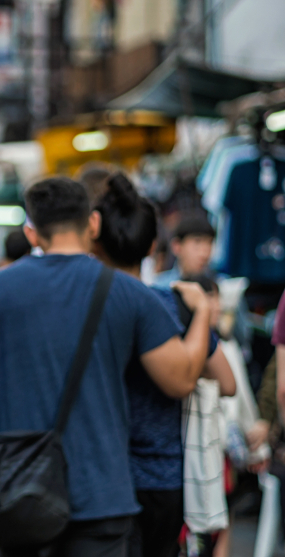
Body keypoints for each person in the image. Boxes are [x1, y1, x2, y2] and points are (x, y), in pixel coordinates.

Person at [0, 176, 214, 557]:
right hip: (102, 493)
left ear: (32, 232)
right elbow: (180, 379)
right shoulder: (128, 293)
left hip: (19, 488)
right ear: (92, 223)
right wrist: (203, 311)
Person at [90, 173, 231, 557]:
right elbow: (228, 382)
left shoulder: (86, 305)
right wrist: (202, 311)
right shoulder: (171, 305)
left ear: (95, 240)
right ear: (154, 245)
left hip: (102, 478)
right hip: (165, 479)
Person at [152, 211, 216, 287]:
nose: (204, 253)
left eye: (210, 243)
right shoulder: (161, 287)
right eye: (197, 242)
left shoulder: (220, 286)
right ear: (177, 246)